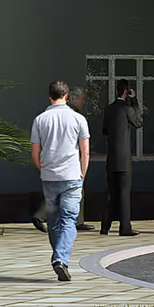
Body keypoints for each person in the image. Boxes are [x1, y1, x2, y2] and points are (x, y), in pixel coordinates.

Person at [28, 79, 91, 282]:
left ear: (49, 97)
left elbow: (35, 154)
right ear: (66, 97)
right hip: (72, 176)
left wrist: (43, 170)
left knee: (54, 221)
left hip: (49, 177)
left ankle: (59, 257)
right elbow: (85, 151)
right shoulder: (78, 119)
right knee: (69, 220)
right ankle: (60, 260)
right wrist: (83, 173)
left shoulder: (40, 120)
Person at [100, 79, 143, 237]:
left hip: (111, 157)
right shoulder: (126, 109)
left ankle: (105, 226)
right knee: (124, 193)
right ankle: (125, 227)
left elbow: (105, 131)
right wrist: (135, 101)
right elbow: (138, 122)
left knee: (111, 192)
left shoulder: (109, 109)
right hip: (124, 158)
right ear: (126, 91)